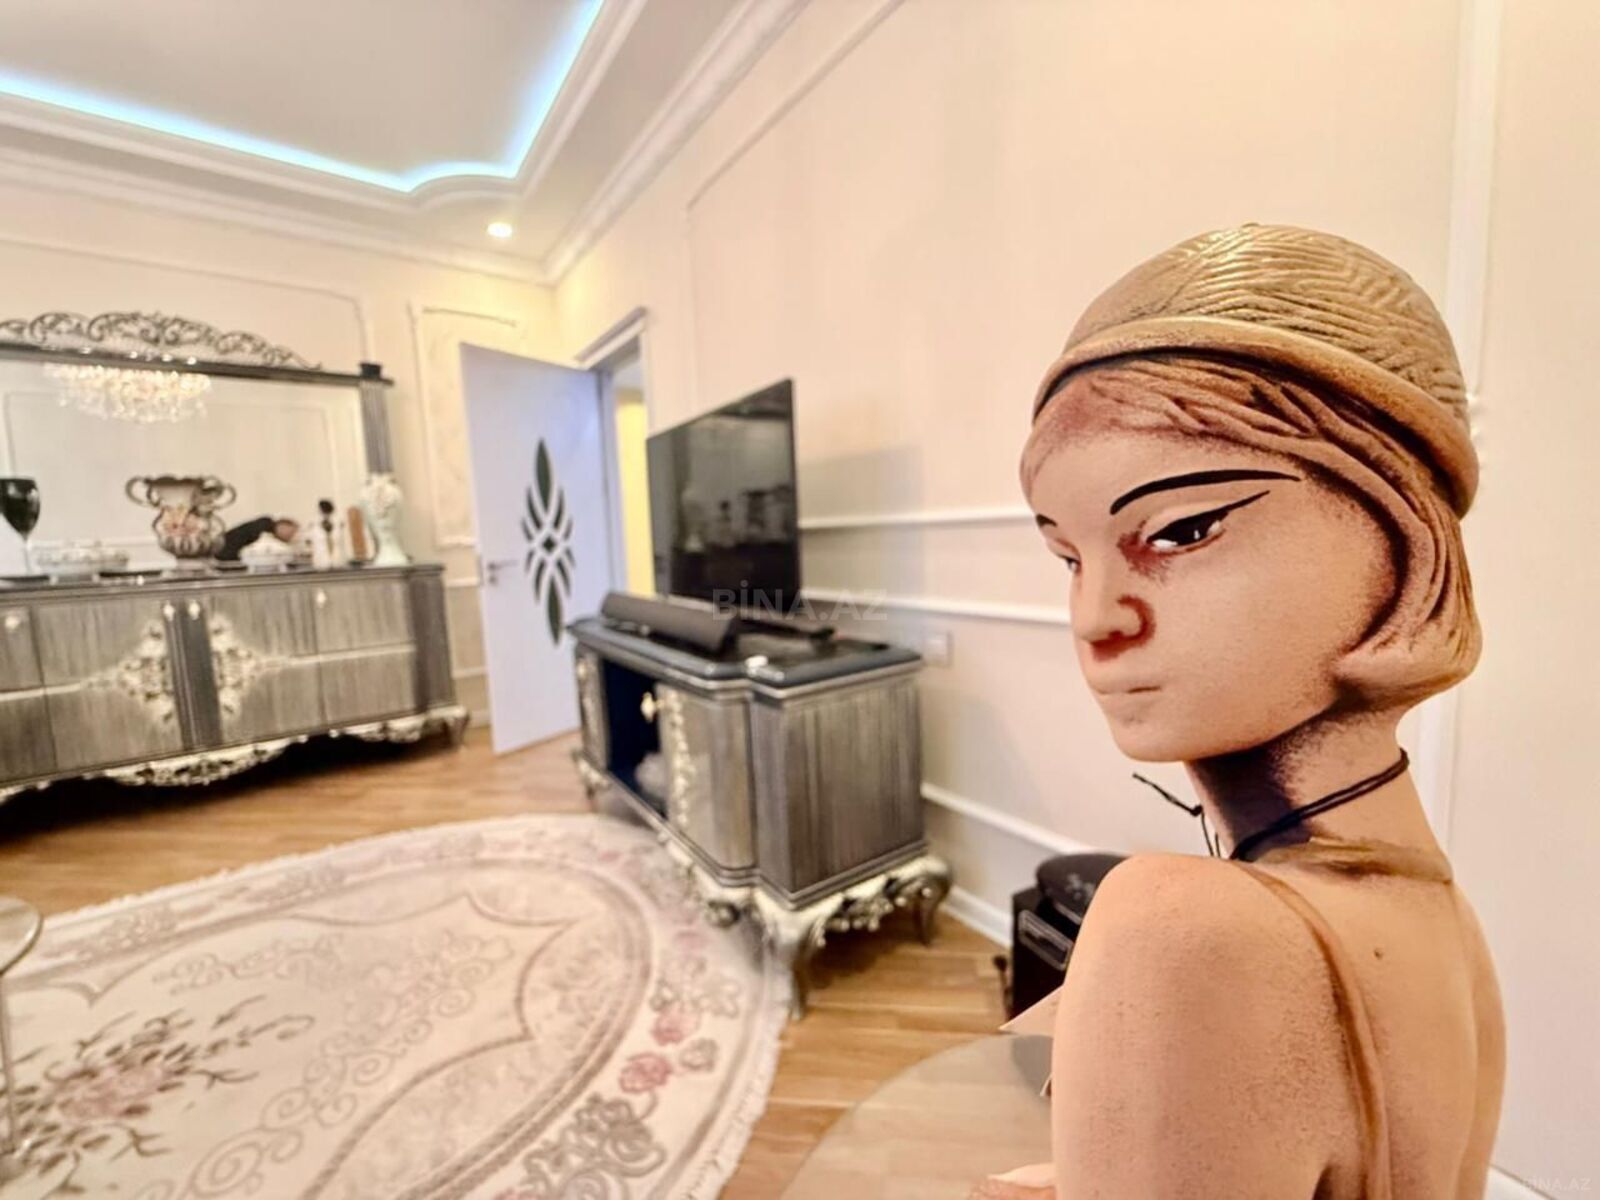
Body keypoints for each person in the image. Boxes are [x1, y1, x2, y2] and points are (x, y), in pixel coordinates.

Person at [978, 224, 1504, 1199]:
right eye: (1068, 557)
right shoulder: (1452, 929)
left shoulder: (1180, 930)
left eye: (1182, 531)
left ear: (1404, 541)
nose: (1095, 618)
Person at [215, 515, 299, 562]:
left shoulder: (264, 527)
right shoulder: (264, 529)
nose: (290, 537)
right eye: (291, 532)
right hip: (226, 555)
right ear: (283, 526)